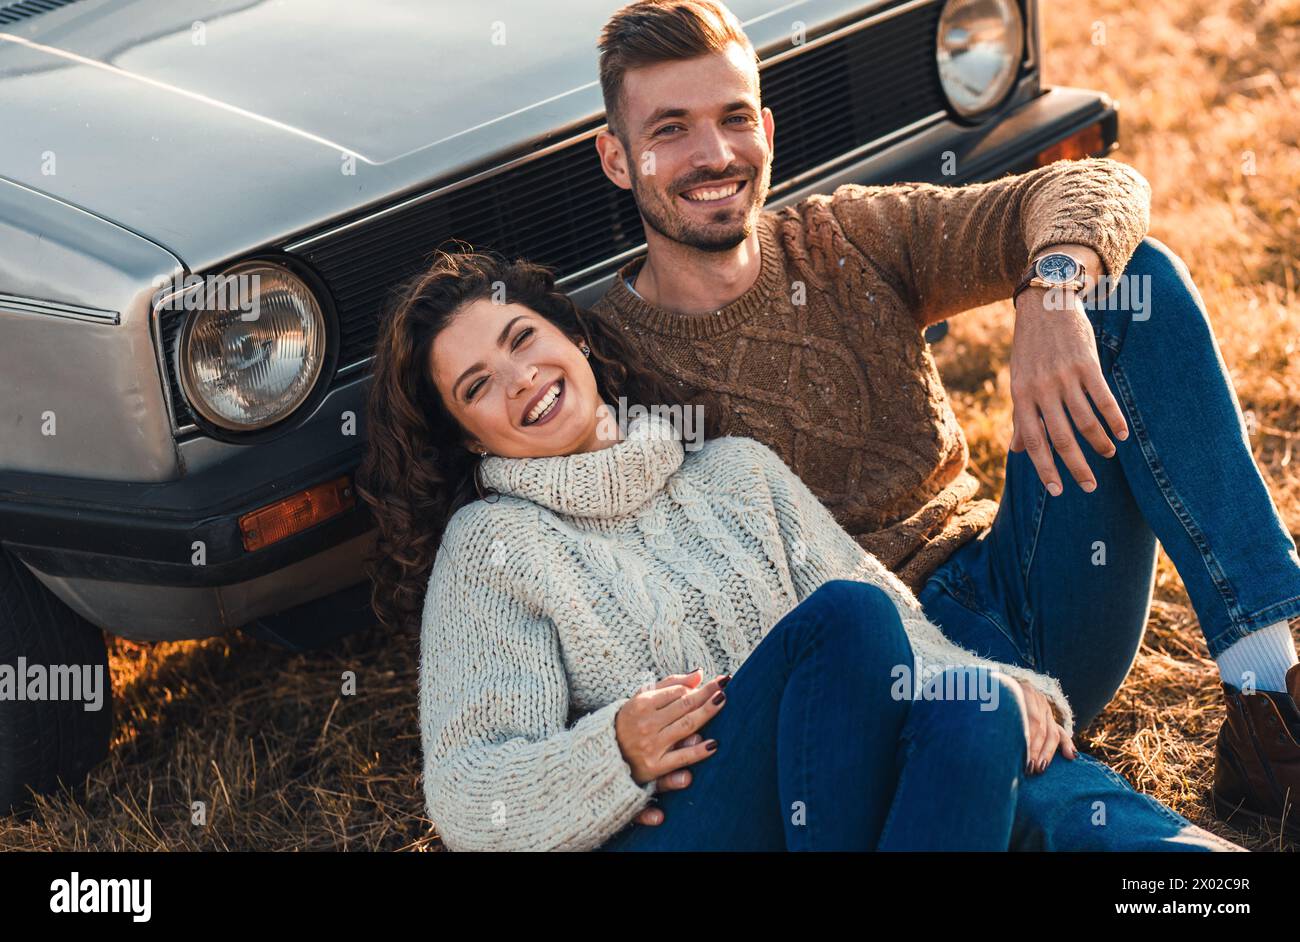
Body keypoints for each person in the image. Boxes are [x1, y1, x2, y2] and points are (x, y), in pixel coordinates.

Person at [586, 0, 1300, 842]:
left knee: (1131, 283)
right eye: (670, 129)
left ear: (768, 129)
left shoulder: (843, 236)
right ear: (617, 158)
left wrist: (1052, 289)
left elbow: (1099, 183)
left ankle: (1272, 706)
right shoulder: (602, 362)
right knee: (1035, 792)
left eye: (734, 117)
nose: (714, 155)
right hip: (876, 669)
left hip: (1027, 585)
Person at [355, 250, 1242, 852]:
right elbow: (471, 795)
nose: (520, 381)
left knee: (974, 711)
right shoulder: (493, 548)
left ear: (573, 339)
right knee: (846, 624)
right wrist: (612, 751)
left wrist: (1007, 680)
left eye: (524, 341)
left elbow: (891, 611)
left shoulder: (736, 473)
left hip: (832, 785)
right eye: (478, 386)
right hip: (675, 826)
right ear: (468, 438)